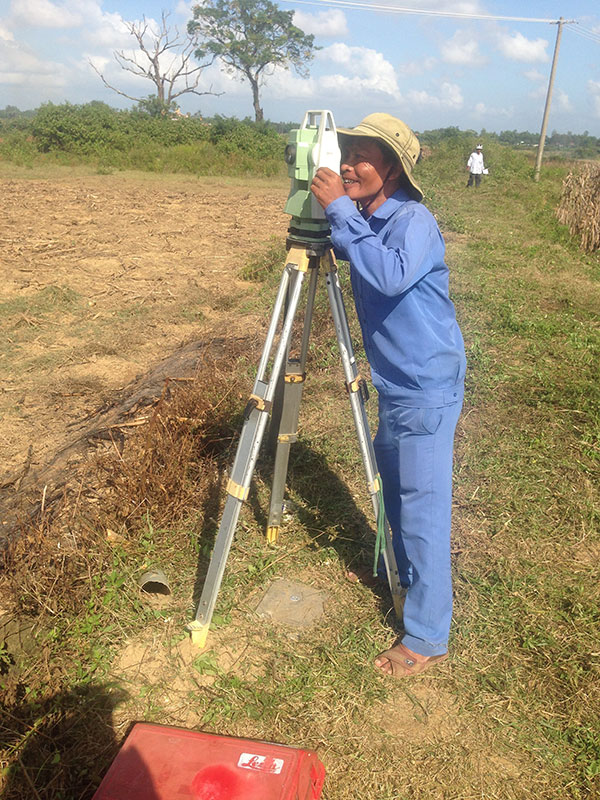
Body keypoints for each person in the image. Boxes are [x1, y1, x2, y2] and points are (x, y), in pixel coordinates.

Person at [310, 113, 466, 679]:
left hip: (425, 385)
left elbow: (392, 275)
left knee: (422, 509)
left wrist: (339, 212)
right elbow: (357, 252)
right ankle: (398, 571)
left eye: (364, 156)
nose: (349, 164)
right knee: (394, 490)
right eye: (345, 150)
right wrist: (334, 220)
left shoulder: (411, 220)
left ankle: (427, 635)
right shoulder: (368, 217)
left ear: (393, 168)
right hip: (395, 384)